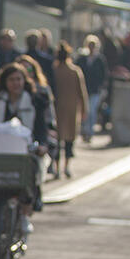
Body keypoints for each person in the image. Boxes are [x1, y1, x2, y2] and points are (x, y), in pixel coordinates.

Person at [0, 62, 54, 259]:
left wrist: (42, 145)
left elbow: (41, 126)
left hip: (23, 153)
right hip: (0, 156)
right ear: (5, 82)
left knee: (30, 177)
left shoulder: (35, 101)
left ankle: (24, 215)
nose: (15, 84)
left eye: (19, 79)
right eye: (11, 80)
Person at [50, 43, 88, 179]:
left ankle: (55, 167)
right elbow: (82, 92)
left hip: (56, 108)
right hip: (72, 109)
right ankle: (66, 167)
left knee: (56, 139)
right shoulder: (75, 71)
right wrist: (84, 109)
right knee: (69, 141)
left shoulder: (54, 71)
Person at [77, 35, 108, 139]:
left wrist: (102, 87)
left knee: (92, 110)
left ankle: (90, 131)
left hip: (95, 90)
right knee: (85, 110)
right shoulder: (82, 59)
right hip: (84, 89)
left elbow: (104, 75)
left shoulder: (100, 60)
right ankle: (85, 130)